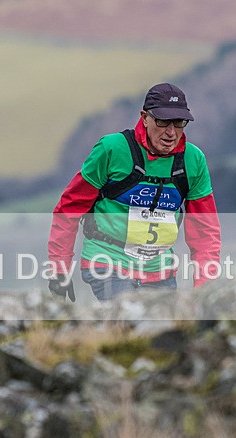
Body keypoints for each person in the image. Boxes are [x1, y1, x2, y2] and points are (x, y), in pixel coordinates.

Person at [47, 82, 221, 301]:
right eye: (163, 121)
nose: (171, 132)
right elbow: (68, 210)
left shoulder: (194, 160)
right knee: (128, 320)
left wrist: (205, 288)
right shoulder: (111, 149)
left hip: (160, 271)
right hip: (107, 261)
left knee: (158, 332)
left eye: (179, 122)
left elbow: (205, 231)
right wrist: (59, 271)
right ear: (144, 117)